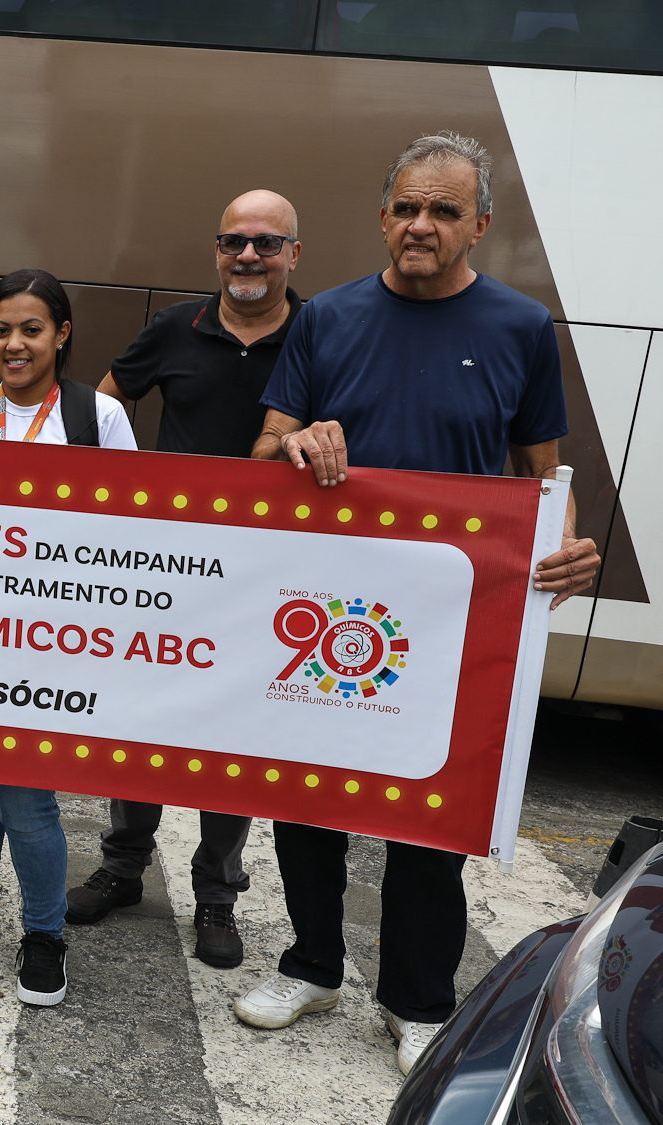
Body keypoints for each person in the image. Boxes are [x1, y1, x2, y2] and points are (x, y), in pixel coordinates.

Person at [236, 132, 602, 1074]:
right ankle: (311, 965)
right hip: (327, 607)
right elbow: (264, 453)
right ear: (382, 215)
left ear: (479, 226)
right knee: (305, 794)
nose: (420, 225)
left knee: (428, 813)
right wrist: (298, 440)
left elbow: (542, 478)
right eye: (405, 206)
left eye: (443, 210)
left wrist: (569, 550)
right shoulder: (325, 319)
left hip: (450, 621)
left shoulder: (520, 327)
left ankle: (418, 999)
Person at [69, 189, 305, 969]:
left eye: (267, 244)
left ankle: (216, 894)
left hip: (266, 576)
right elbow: (103, 404)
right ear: (216, 251)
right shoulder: (176, 326)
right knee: (145, 719)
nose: (248, 256)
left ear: (292, 256)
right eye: (235, 241)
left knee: (231, 735)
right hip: (166, 568)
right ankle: (123, 868)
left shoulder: (318, 334)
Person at [0, 269, 135, 1007]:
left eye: (32, 329)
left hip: (49, 639)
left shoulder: (95, 417)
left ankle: (45, 933)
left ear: (62, 334)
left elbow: (132, 528)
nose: (14, 344)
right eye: (2, 329)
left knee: (26, 791)